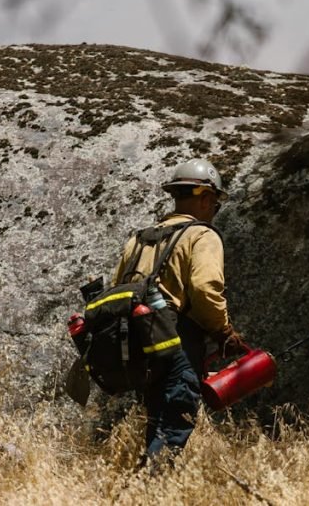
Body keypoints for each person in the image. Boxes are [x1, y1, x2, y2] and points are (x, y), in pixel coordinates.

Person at [111, 158, 246, 466]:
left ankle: (142, 490)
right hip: (177, 345)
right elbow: (204, 289)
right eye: (216, 205)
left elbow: (117, 288)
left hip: (138, 349)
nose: (214, 211)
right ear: (207, 197)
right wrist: (223, 332)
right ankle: (146, 493)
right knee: (172, 429)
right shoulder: (201, 235)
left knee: (157, 424)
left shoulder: (139, 239)